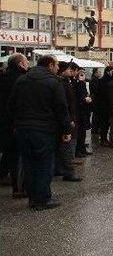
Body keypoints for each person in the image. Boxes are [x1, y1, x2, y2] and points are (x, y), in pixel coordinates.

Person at [8, 55, 72, 210]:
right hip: (44, 130)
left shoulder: (22, 80)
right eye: (57, 65)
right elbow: (61, 109)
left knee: (29, 164)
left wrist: (17, 124)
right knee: (44, 165)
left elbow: (11, 105)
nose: (58, 68)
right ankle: (43, 199)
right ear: (50, 65)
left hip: (23, 129)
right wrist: (66, 130)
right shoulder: (53, 82)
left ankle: (33, 198)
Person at [0, 53, 28, 198]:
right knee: (18, 155)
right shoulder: (21, 80)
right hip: (17, 122)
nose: (28, 63)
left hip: (4, 122)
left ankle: (5, 175)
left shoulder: (3, 77)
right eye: (26, 61)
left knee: (9, 152)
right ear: (20, 64)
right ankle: (18, 187)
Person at [56, 61, 82, 182]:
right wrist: (69, 120)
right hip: (66, 118)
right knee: (67, 144)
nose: (70, 71)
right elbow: (62, 104)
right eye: (68, 69)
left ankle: (59, 168)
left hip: (69, 115)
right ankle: (68, 171)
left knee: (64, 144)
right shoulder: (60, 83)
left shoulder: (67, 82)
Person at [75, 68, 93, 157]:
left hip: (85, 111)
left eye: (84, 74)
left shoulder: (84, 83)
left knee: (83, 131)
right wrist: (84, 99)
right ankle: (78, 150)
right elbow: (78, 96)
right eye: (81, 74)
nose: (83, 76)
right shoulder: (77, 84)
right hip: (80, 111)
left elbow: (86, 93)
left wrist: (88, 98)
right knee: (80, 132)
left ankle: (82, 148)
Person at [98, 66, 113, 146]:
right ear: (108, 71)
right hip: (104, 105)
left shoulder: (111, 80)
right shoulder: (103, 81)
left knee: (108, 123)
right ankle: (103, 138)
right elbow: (102, 93)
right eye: (112, 71)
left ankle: (105, 138)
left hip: (109, 105)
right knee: (104, 123)